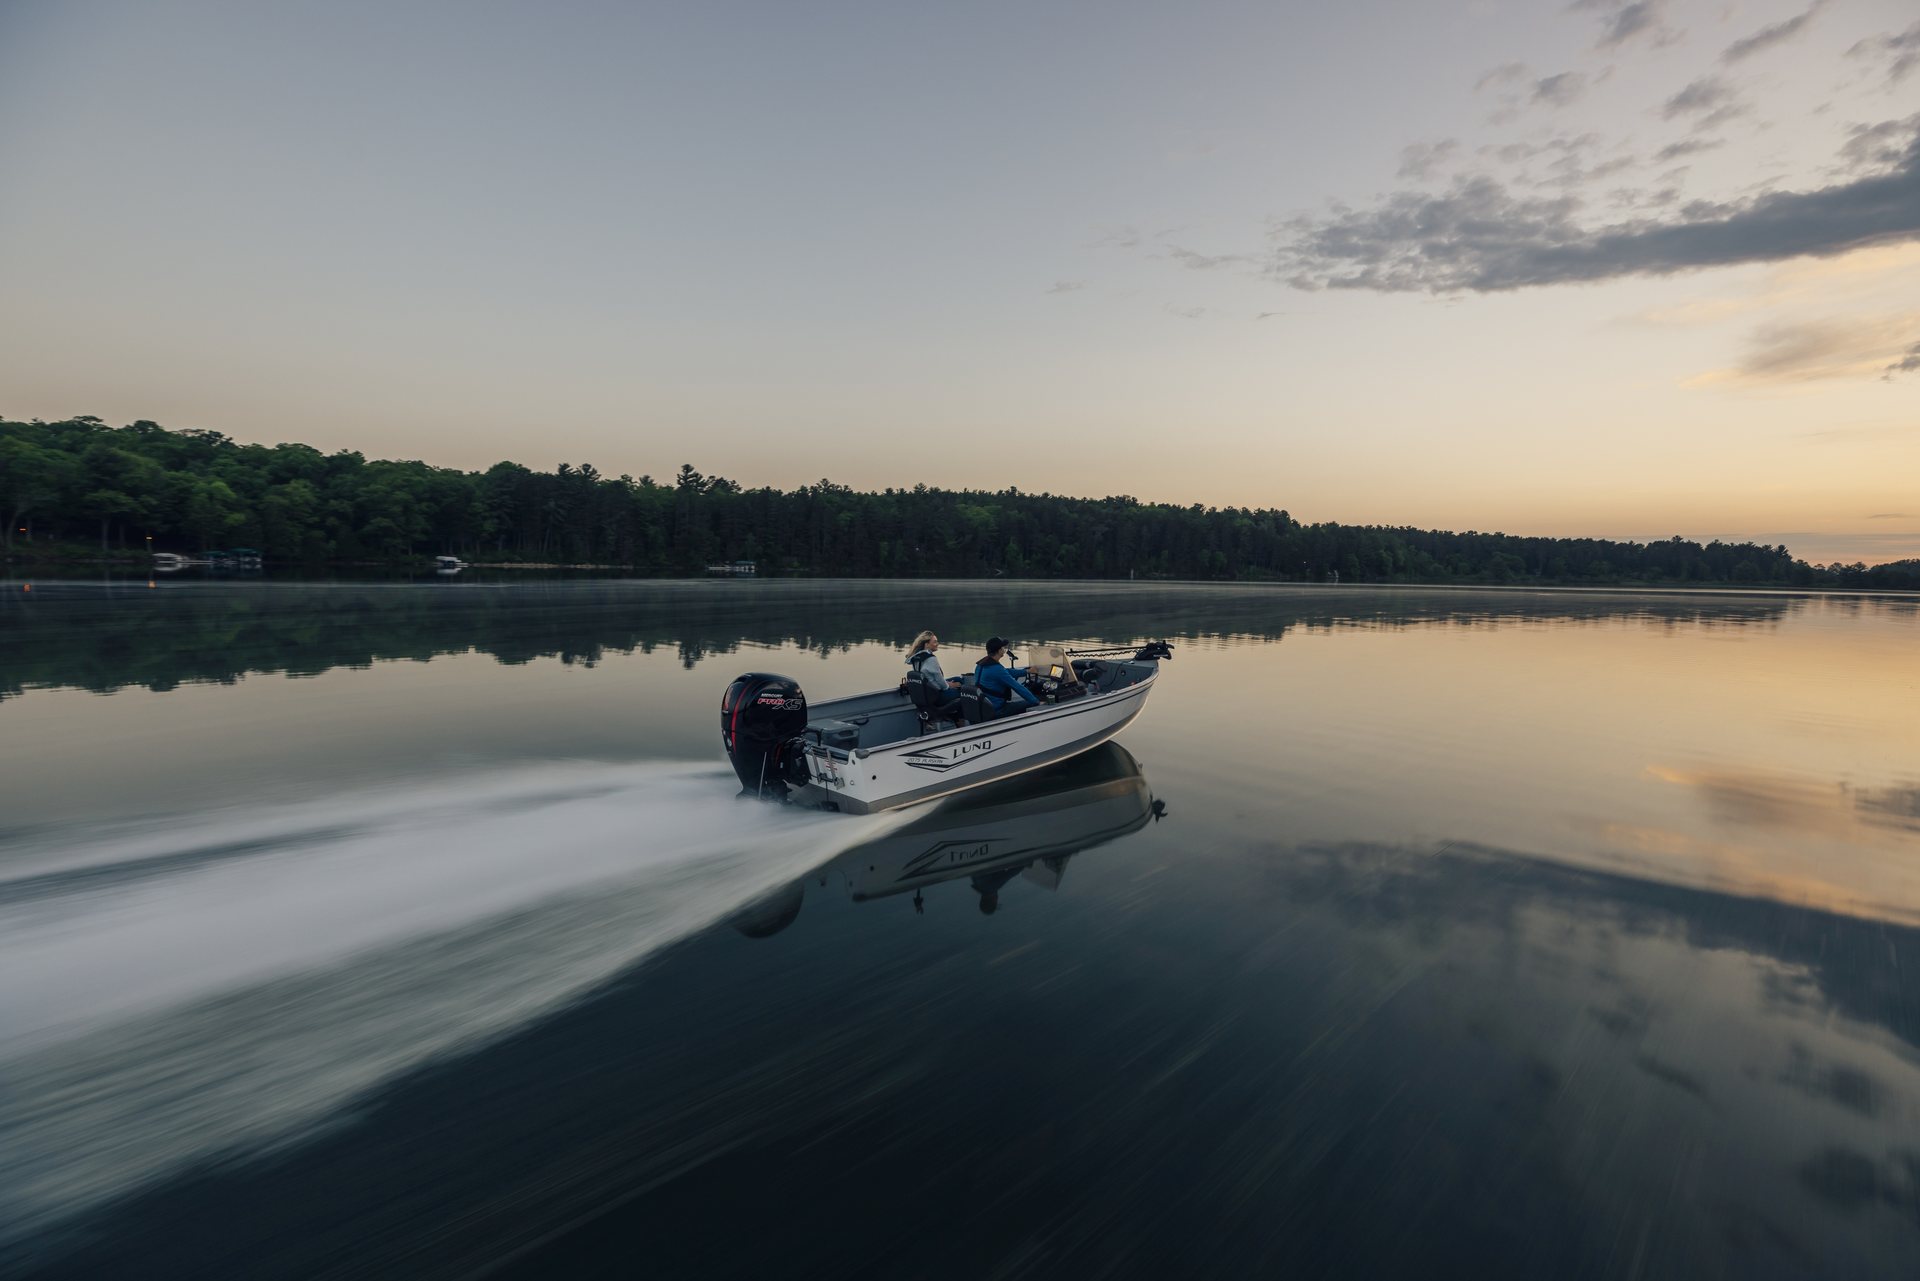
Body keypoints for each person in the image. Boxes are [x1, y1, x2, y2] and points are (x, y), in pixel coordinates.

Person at [905, 630, 965, 719]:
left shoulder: (916, 657)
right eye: (935, 642)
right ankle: (958, 721)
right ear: (927, 644)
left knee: (958, 679)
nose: (937, 644)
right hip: (937, 696)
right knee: (964, 693)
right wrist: (949, 685)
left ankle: (954, 717)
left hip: (926, 694)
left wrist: (947, 683)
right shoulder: (931, 659)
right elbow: (941, 682)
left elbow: (933, 679)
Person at [973, 636, 1038, 713]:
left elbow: (1006, 672)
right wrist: (1037, 702)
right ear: (999, 650)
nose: (1004, 649)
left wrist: (1026, 671)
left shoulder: (981, 664)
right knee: (1031, 704)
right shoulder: (996, 669)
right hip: (997, 709)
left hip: (984, 707)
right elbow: (1017, 687)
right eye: (1003, 647)